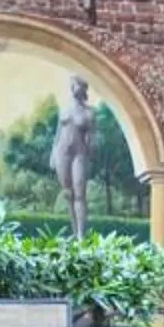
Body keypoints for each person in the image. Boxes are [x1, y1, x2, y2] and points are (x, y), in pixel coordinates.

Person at [51, 73, 95, 237]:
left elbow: (91, 137)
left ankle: (81, 234)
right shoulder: (64, 109)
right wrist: (52, 154)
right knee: (68, 194)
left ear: (83, 89)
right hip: (62, 152)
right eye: (74, 85)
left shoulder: (89, 112)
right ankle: (75, 231)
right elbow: (57, 134)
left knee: (79, 193)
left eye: (78, 85)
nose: (75, 88)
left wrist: (90, 156)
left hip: (79, 153)